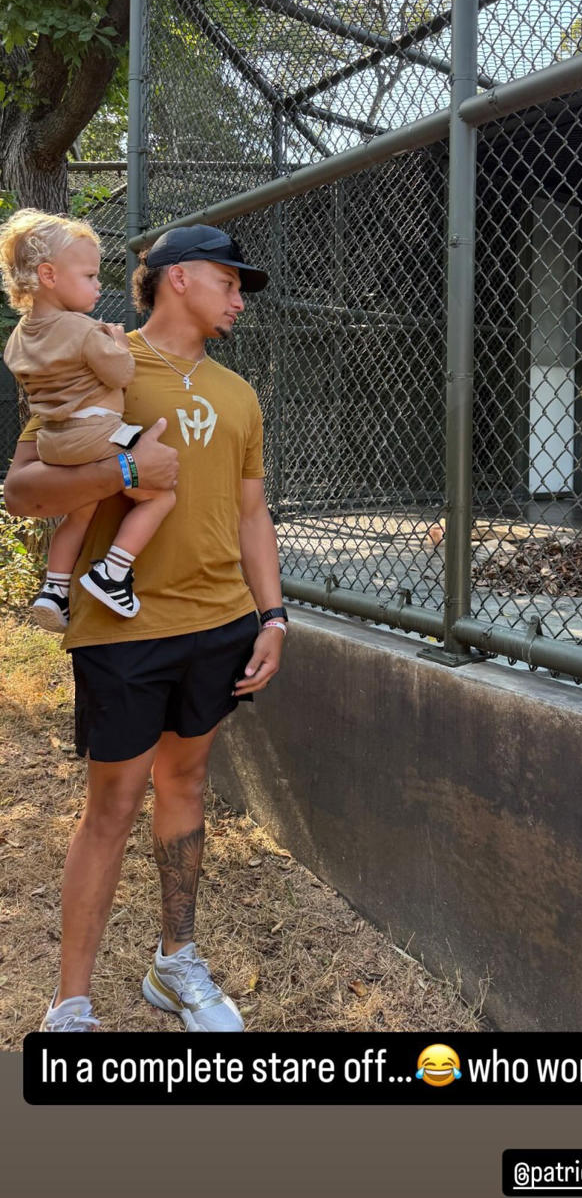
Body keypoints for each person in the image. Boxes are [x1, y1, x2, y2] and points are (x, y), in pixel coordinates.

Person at [3, 223, 286, 1033]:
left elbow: (251, 512)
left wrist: (274, 616)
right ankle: (72, 1003)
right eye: (229, 281)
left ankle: (175, 963)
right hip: (121, 630)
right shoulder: (99, 356)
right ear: (179, 278)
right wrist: (125, 469)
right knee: (113, 804)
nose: (239, 298)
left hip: (220, 625)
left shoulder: (240, 393)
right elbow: (23, 489)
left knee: (186, 785)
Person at [1, 209, 175, 629]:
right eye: (90, 276)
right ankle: (112, 572)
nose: (98, 285)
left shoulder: (18, 339)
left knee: (80, 511)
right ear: (48, 275)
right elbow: (121, 375)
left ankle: (54, 590)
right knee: (162, 494)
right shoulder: (83, 331)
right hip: (97, 432)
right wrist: (116, 342)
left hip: (53, 441)